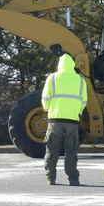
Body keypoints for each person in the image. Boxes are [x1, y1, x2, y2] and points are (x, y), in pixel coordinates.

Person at [40, 43, 88, 186]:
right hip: (72, 121)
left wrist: (48, 109)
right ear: (72, 64)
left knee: (52, 150)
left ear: (59, 65)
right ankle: (73, 179)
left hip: (55, 120)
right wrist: (77, 111)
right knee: (71, 152)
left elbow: (45, 98)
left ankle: (51, 178)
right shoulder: (80, 80)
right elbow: (84, 100)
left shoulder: (52, 78)